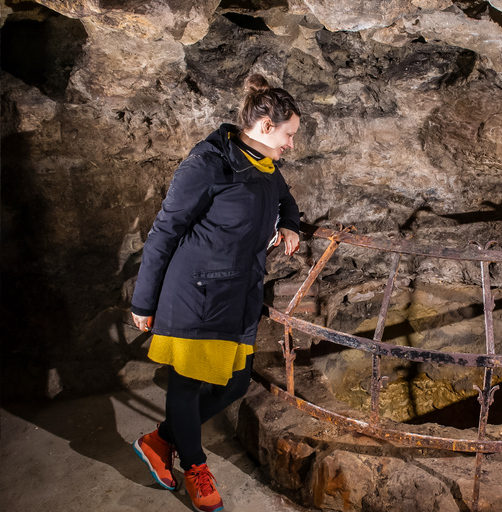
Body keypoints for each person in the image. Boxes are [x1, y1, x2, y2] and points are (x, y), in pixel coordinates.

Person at [130, 73, 301, 512]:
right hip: (196, 293)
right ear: (265, 125)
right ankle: (195, 467)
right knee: (186, 385)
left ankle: (160, 439)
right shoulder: (208, 163)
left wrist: (290, 225)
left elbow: (286, 200)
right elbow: (165, 231)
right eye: (289, 135)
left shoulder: (266, 167)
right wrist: (143, 301)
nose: (291, 145)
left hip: (239, 293)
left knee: (235, 382)